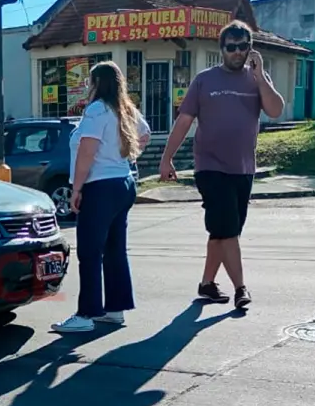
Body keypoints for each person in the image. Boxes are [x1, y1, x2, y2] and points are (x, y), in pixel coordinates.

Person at [159, 20, 285, 309]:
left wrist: (262, 75)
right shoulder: (205, 80)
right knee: (227, 229)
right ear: (222, 49)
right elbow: (184, 121)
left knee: (225, 231)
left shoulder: (256, 80)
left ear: (250, 49)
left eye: (243, 47)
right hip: (210, 166)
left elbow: (276, 110)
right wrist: (167, 158)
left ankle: (207, 284)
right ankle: (241, 288)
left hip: (243, 168)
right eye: (232, 47)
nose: (238, 52)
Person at [52, 61, 150, 333]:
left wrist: (77, 189)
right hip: (123, 182)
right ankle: (115, 309)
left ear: (97, 83)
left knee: (90, 251)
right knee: (115, 249)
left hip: (100, 186)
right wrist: (123, 153)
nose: (87, 86)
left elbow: (87, 150)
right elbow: (145, 136)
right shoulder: (125, 109)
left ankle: (86, 314)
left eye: (90, 81)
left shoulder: (96, 110)